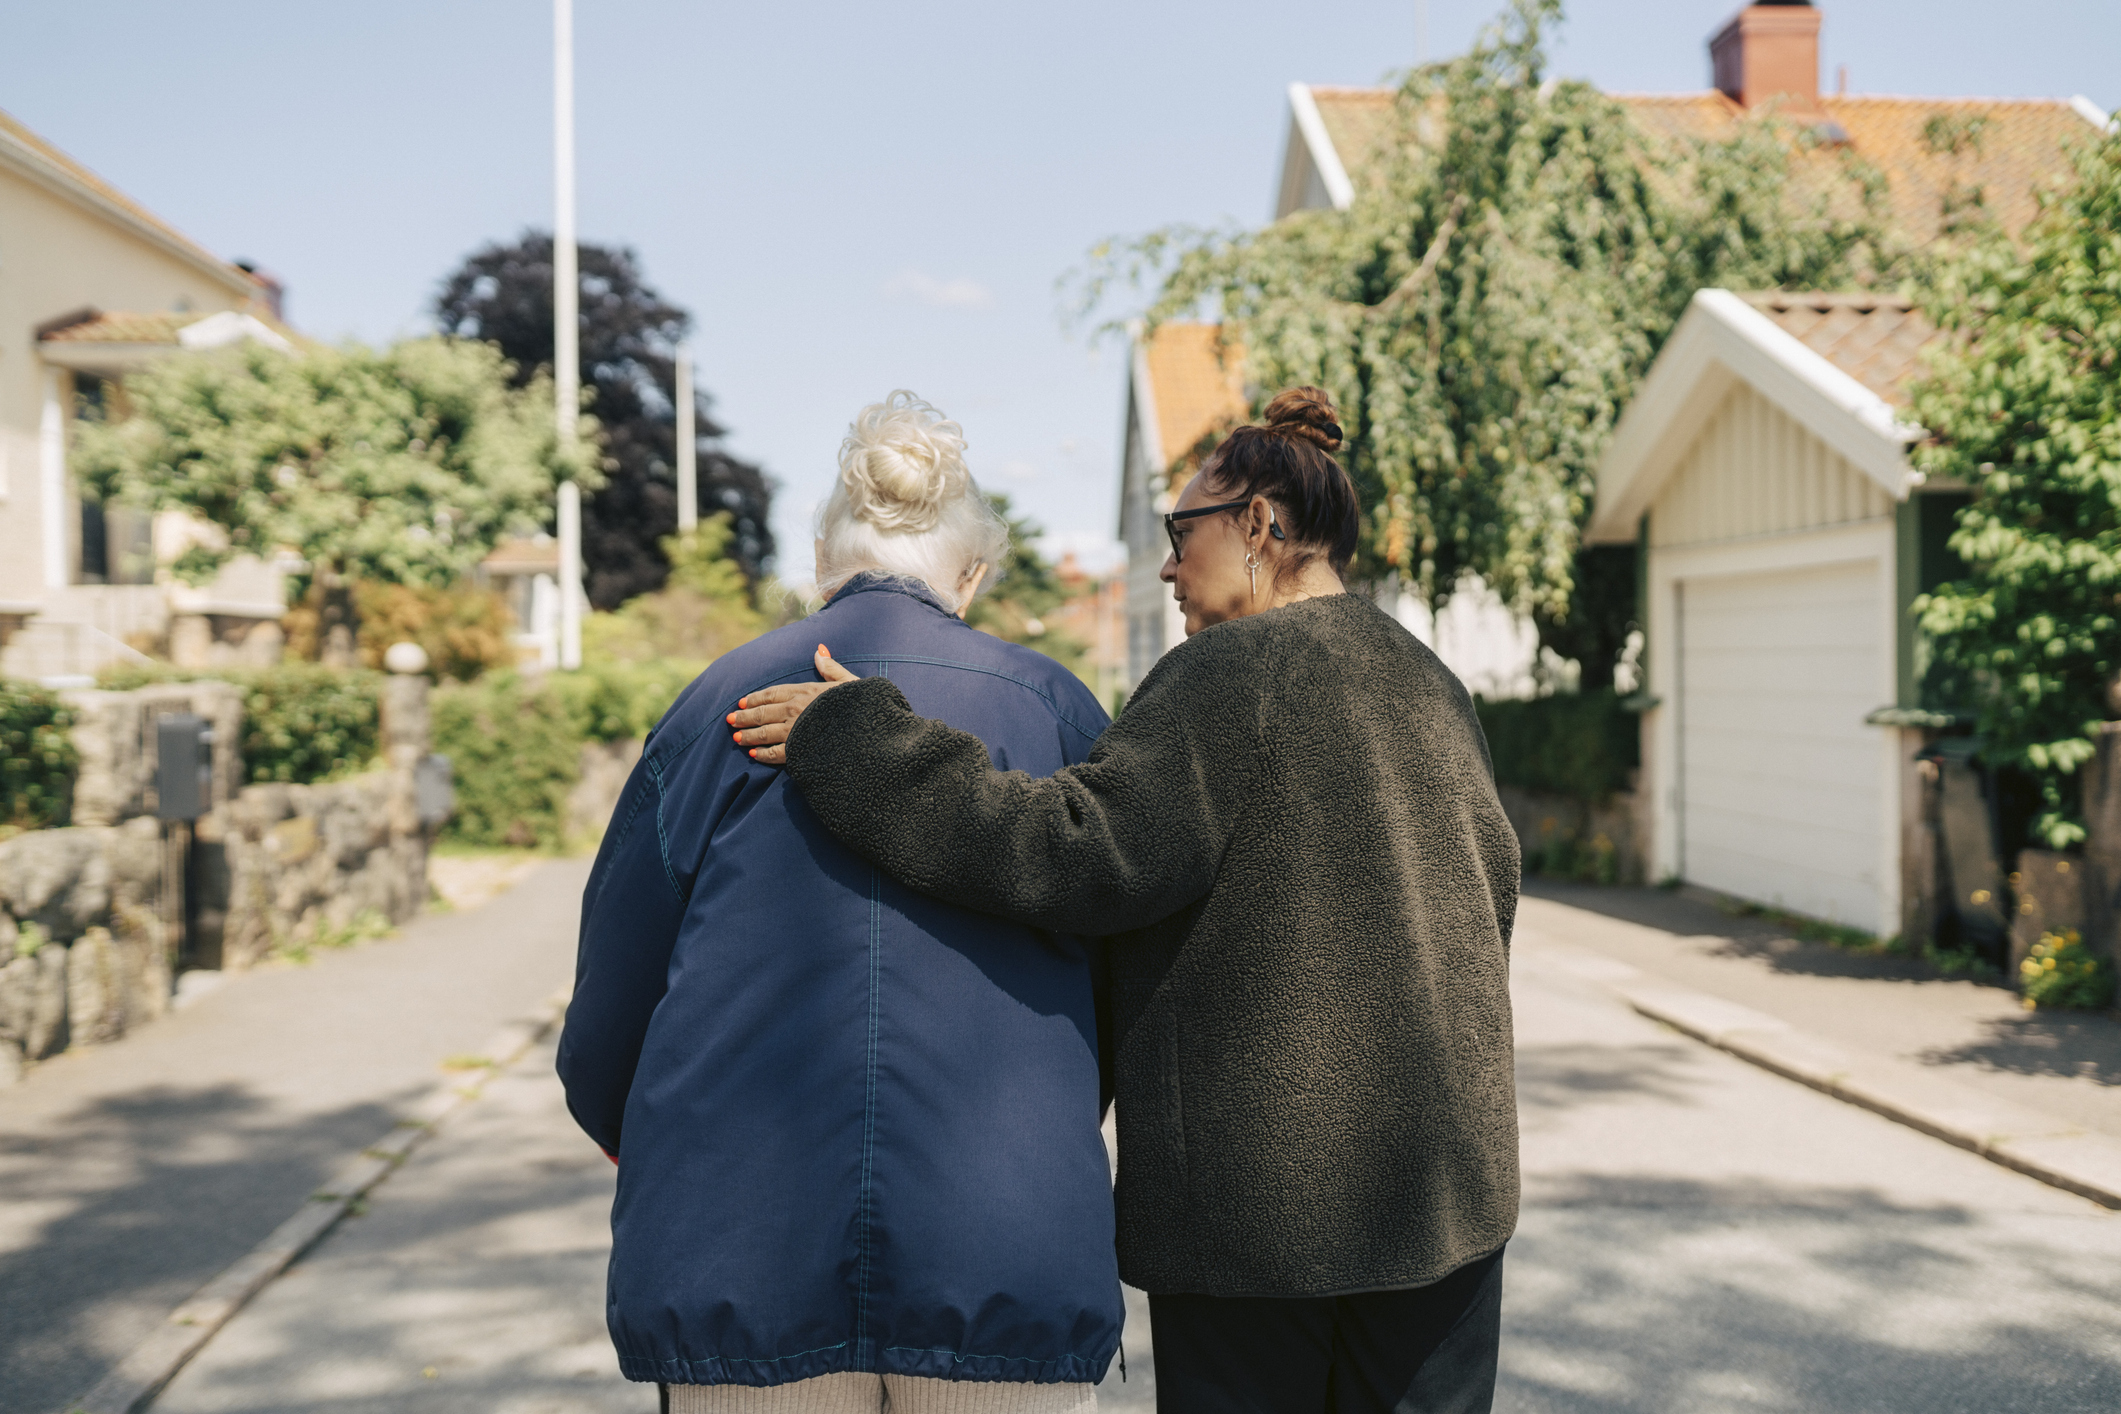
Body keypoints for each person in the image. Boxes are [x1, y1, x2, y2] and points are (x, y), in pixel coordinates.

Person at [732, 387, 1521, 1414]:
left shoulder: (1228, 671)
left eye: (1178, 533)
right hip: (1447, 1202)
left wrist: (858, 741)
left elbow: (1073, 850)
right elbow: (1492, 896)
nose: (1164, 566)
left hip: (1261, 1227)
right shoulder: (1428, 681)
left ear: (1256, 523)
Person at [558, 391, 1123, 1412]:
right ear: (973, 573)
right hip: (1005, 1247)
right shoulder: (1057, 712)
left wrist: (648, 1141)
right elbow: (1126, 976)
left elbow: (612, 989)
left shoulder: (719, 702)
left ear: (820, 558)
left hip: (742, 1256)